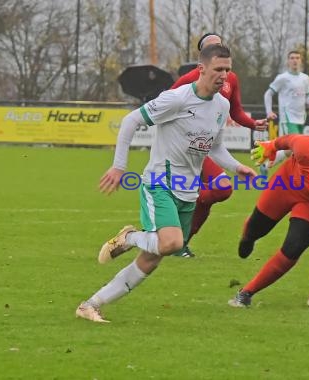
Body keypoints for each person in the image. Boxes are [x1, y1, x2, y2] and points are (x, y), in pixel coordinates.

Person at [75, 44, 256, 323]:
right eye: (218, 69)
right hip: (160, 181)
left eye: (228, 70)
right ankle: (129, 237)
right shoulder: (177, 98)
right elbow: (130, 120)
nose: (224, 76)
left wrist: (236, 167)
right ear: (202, 69)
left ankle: (90, 305)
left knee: (151, 259)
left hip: (188, 190)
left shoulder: (221, 105)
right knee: (171, 243)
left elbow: (214, 147)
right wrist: (119, 166)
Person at [228, 134, 309, 308]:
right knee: (255, 230)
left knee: (294, 247)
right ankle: (249, 235)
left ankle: (246, 293)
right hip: (288, 181)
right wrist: (272, 146)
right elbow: (290, 140)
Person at [171, 33, 267, 258]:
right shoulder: (188, 81)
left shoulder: (229, 81)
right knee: (220, 188)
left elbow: (235, 112)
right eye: (212, 49)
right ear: (202, 60)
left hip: (205, 148)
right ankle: (173, 230)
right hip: (183, 150)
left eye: (221, 47)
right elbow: (162, 104)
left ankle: (180, 240)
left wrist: (253, 124)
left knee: (215, 192)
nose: (222, 71)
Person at [262, 50, 309, 175]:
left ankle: (265, 165)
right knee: (297, 148)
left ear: (301, 61)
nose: (295, 60)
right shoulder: (283, 78)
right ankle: (300, 176)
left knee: (289, 150)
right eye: (292, 58)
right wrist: (269, 111)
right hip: (288, 119)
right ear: (288, 61)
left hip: (301, 118)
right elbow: (268, 94)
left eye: (297, 58)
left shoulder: (305, 78)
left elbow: (308, 97)